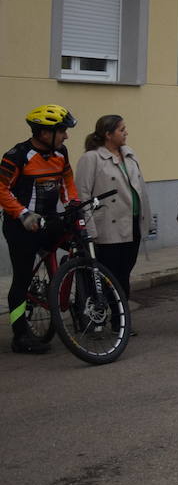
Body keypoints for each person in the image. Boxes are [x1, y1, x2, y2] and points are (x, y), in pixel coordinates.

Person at [2, 104, 81, 353]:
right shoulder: (16, 156)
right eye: (63, 131)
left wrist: (73, 204)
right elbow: (1, 188)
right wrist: (22, 213)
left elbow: (67, 180)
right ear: (45, 133)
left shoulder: (61, 153)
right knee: (21, 281)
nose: (66, 136)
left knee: (81, 247)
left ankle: (77, 303)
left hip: (49, 220)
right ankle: (20, 335)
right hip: (21, 225)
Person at [75, 114, 150, 306]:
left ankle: (121, 318)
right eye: (121, 130)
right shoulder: (92, 158)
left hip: (132, 223)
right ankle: (110, 317)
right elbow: (82, 195)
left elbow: (140, 188)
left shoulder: (129, 155)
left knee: (124, 272)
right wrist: (89, 230)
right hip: (108, 227)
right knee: (111, 274)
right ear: (108, 134)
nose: (126, 133)